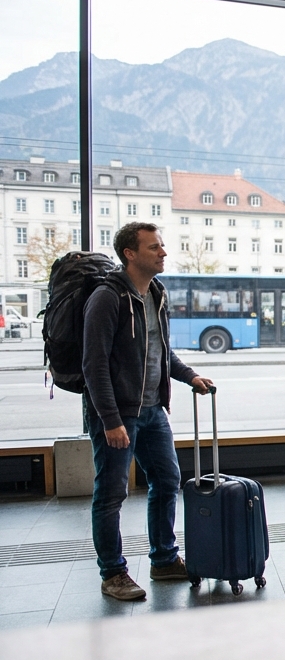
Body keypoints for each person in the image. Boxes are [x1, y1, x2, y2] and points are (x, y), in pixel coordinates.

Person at [83, 222, 215, 600]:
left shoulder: (156, 293)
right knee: (111, 494)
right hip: (117, 413)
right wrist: (110, 419)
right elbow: (94, 364)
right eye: (154, 247)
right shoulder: (107, 298)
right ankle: (113, 574)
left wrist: (190, 376)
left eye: (162, 245)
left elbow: (160, 351)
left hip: (153, 410)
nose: (163, 252)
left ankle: (163, 560)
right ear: (130, 253)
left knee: (167, 481)